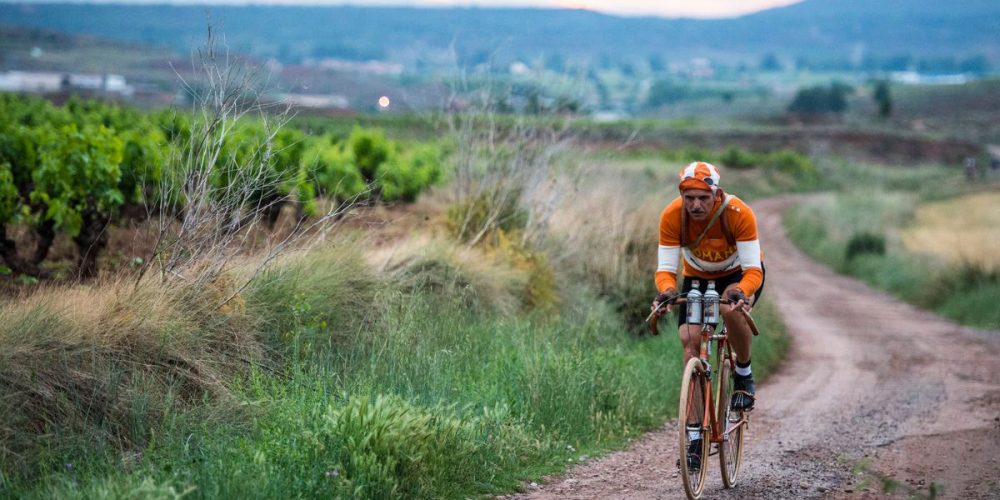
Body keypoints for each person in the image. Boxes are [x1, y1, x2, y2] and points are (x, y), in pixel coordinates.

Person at [650, 161, 765, 473]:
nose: (696, 205)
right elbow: (665, 270)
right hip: (697, 278)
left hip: (738, 275)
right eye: (689, 198)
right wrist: (666, 292)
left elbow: (753, 270)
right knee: (689, 341)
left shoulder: (738, 213)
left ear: (716, 194)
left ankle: (743, 373)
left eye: (703, 197)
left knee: (729, 309)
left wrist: (742, 292)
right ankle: (694, 441)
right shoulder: (672, 215)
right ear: (682, 196)